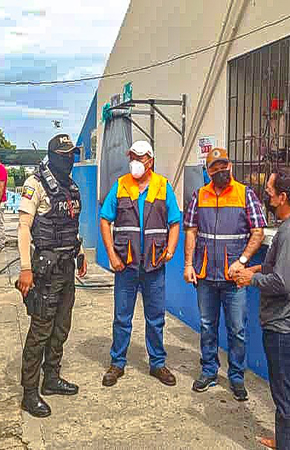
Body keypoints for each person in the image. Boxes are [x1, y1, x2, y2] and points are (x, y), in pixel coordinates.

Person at [234, 167, 290, 450]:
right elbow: (284, 267)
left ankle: (288, 445)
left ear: (283, 197)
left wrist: (250, 277)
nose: (266, 195)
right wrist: (259, 267)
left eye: (270, 192)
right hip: (287, 322)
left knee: (285, 392)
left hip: (284, 325)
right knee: (285, 390)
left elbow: (282, 282)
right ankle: (285, 440)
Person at [183, 148, 266, 401]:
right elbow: (191, 231)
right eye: (215, 168)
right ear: (207, 171)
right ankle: (209, 370)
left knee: (237, 329)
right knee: (207, 326)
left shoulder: (245, 194)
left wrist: (242, 261)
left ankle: (237, 376)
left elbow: (258, 231)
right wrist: (188, 264)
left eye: (224, 166)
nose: (220, 171)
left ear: (231, 165)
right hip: (206, 274)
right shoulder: (200, 195)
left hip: (234, 278)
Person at [16, 133, 88, 418]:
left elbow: (70, 224)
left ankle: (52, 378)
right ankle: (29, 393)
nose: (70, 159)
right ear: (53, 156)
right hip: (45, 271)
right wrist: (25, 268)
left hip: (67, 266)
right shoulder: (35, 184)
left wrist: (80, 252)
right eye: (65, 155)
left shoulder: (70, 186)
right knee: (40, 331)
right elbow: (23, 228)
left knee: (61, 327)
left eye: (72, 154)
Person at [99, 140, 181, 388]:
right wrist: (112, 255)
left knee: (155, 317)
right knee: (122, 317)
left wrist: (171, 249)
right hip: (126, 265)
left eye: (139, 157)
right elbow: (105, 220)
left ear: (150, 160)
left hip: (154, 265)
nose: (134, 161)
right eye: (132, 156)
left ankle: (157, 363)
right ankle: (117, 363)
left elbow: (175, 222)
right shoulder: (121, 186)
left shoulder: (164, 186)